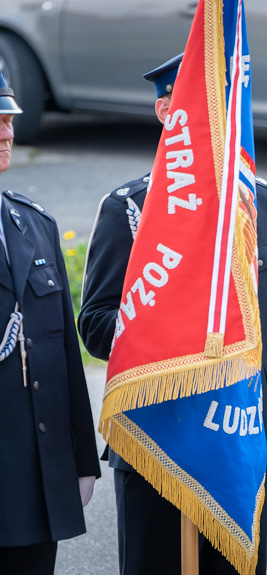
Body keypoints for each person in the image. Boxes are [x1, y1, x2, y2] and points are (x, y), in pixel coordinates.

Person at [78, 54, 267, 575]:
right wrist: (167, 319)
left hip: (241, 435)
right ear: (167, 111)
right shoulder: (129, 209)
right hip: (157, 439)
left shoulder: (260, 203)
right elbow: (95, 324)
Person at [0, 73, 100, 575]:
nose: (6, 132)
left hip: (35, 480)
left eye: (9, 119)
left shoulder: (33, 224)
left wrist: (82, 456)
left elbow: (64, 357)